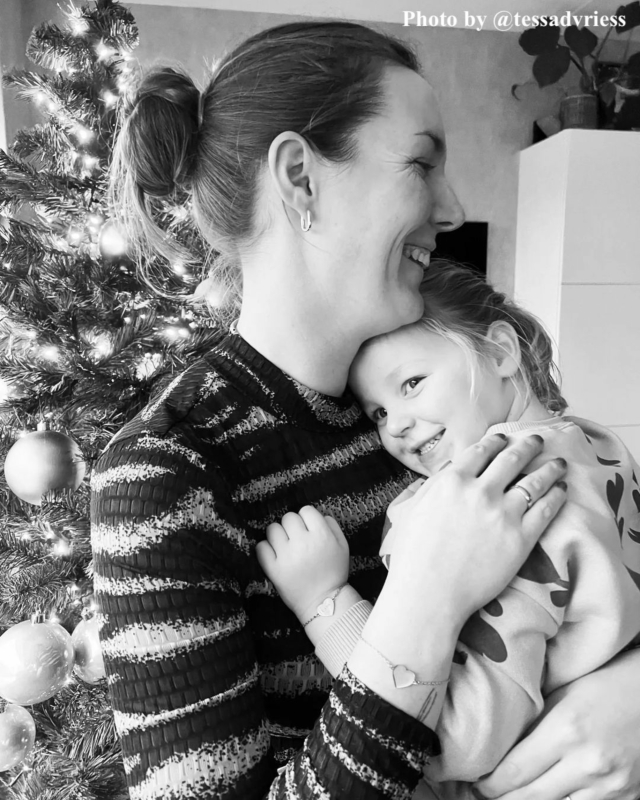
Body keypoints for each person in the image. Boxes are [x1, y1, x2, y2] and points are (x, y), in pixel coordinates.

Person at [89, 19, 640, 800]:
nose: (452, 207)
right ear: (301, 179)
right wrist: (428, 597)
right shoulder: (166, 474)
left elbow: (599, 559)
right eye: (421, 163)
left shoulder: (439, 406)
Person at [258, 261, 640, 800]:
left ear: (501, 352)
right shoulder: (598, 447)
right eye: (377, 412)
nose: (396, 424)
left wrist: (326, 605)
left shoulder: (499, 504)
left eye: (412, 383)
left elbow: (451, 741)